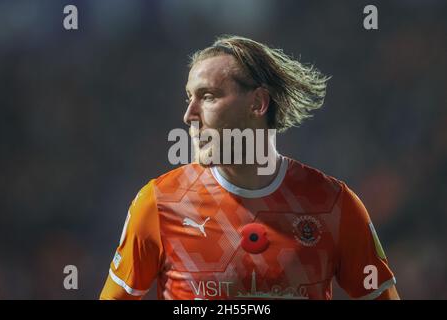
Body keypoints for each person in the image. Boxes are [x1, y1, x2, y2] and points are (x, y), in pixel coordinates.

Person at [100, 35, 399, 300]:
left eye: (207, 96)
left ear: (258, 103)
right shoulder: (160, 203)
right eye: (189, 97)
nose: (189, 114)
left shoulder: (333, 205)